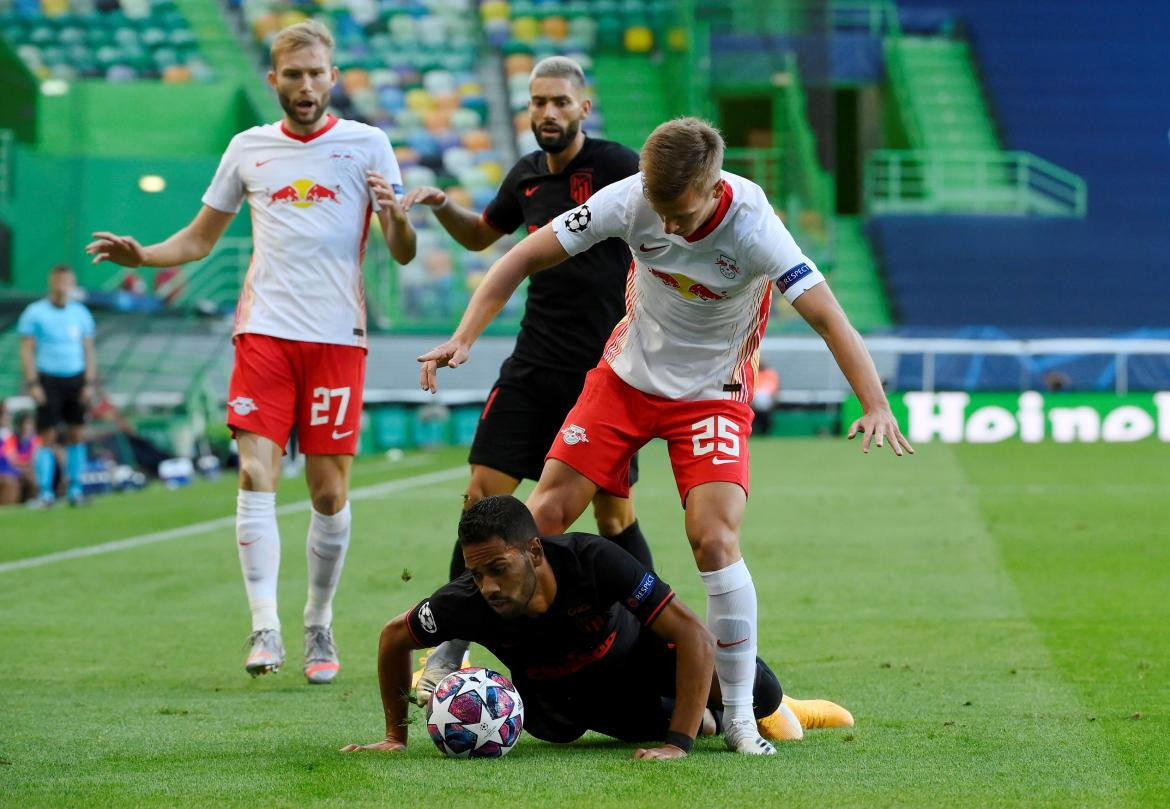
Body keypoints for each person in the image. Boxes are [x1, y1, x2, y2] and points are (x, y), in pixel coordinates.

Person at [418, 117, 912, 755]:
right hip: (625, 379)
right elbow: (521, 255)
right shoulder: (631, 197)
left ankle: (739, 716)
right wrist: (463, 336)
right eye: (659, 209)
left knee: (713, 538)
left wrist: (874, 403)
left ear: (713, 188)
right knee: (536, 519)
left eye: (679, 213)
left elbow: (828, 317)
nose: (668, 227)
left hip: (713, 394)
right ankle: (451, 651)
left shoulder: (758, 228)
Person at [85, 20, 417, 683]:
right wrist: (145, 255)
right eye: (291, 75)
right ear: (274, 80)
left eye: (315, 73)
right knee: (254, 474)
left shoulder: (368, 144)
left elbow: (401, 252)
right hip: (263, 331)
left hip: (335, 339)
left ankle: (317, 619)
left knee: (328, 494)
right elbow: (201, 239)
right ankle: (264, 621)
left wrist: (397, 216)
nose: (304, 85)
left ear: (332, 76)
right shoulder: (247, 148)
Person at [401, 56, 654, 699]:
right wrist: (443, 208)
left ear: (582, 108)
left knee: (612, 511)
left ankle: (653, 637)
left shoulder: (620, 166)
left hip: (603, 376)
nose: (547, 113)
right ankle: (449, 651)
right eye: (538, 102)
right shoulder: (523, 178)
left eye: (559, 102)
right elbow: (485, 239)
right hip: (532, 366)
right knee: (479, 500)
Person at [341, 496, 851, 760]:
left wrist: (678, 746)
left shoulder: (591, 559)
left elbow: (693, 633)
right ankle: (703, 718)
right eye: (477, 574)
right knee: (562, 731)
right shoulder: (468, 602)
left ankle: (780, 707)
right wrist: (394, 736)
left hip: (642, 659)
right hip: (570, 702)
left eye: (498, 569)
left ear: (534, 551)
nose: (488, 586)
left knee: (759, 690)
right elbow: (393, 637)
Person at [17, 264, 97, 507]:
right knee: (47, 435)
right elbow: (27, 350)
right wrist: (33, 383)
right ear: (51, 282)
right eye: (58, 280)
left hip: (75, 378)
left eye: (67, 281)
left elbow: (89, 350)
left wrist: (89, 382)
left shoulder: (81, 313)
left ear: (72, 283)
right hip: (48, 378)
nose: (63, 285)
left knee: (76, 433)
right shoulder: (35, 313)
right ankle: (46, 492)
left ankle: (75, 489)